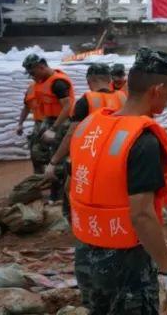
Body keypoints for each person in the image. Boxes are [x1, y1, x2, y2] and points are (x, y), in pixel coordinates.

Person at [70, 48, 167, 314]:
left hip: (87, 253)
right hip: (125, 262)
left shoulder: (90, 127)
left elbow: (73, 186)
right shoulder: (143, 141)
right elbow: (142, 216)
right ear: (157, 89)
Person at [47, 63, 126, 218]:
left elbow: (72, 134)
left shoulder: (86, 101)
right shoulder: (123, 98)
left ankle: (79, 223)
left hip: (90, 157)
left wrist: (54, 161)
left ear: (89, 81)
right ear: (109, 79)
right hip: (117, 155)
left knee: (75, 192)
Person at [18, 54, 75, 202]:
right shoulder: (42, 82)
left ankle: (58, 196)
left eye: (33, 72)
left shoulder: (58, 83)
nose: (32, 76)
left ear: (41, 67)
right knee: (37, 153)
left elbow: (67, 107)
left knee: (58, 160)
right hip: (49, 121)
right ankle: (41, 184)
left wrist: (54, 129)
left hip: (61, 123)